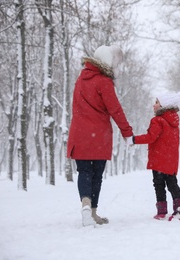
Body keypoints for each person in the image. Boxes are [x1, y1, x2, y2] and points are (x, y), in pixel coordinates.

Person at [67, 45, 133, 227]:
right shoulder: (104, 82)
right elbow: (115, 110)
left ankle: (86, 206)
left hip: (79, 134)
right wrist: (127, 133)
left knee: (84, 172)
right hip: (98, 137)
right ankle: (93, 212)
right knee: (96, 175)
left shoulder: (80, 80)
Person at [127, 91, 180, 221]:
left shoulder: (158, 120)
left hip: (159, 159)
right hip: (171, 159)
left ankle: (161, 212)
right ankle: (178, 211)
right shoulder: (174, 122)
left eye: (156, 102)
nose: (153, 105)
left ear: (164, 105)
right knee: (172, 184)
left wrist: (133, 140)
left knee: (159, 185)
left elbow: (151, 137)